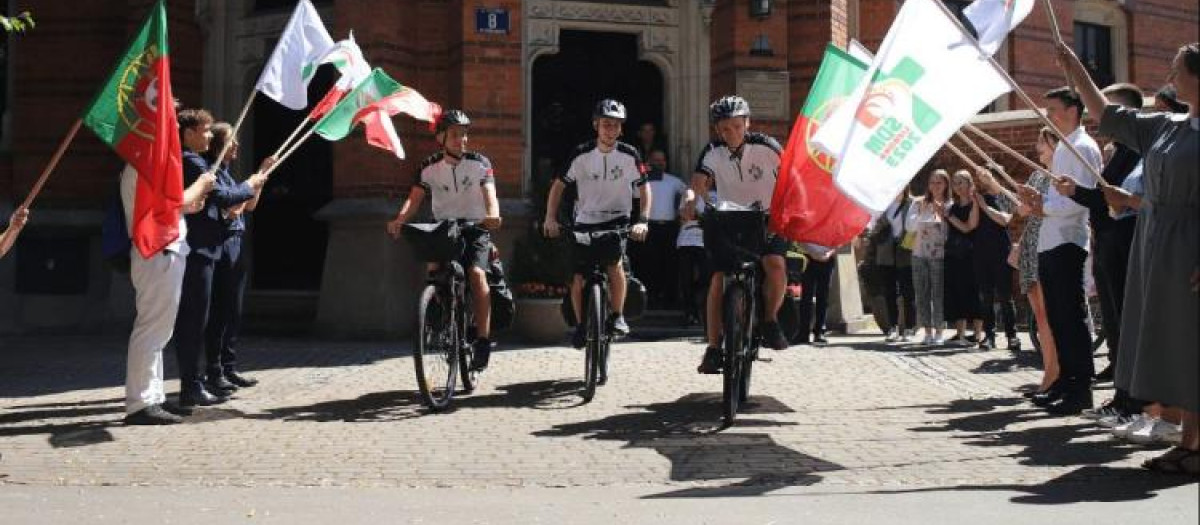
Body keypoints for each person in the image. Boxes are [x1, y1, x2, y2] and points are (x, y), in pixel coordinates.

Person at [1057, 41, 1199, 473]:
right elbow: (1103, 111)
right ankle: (1189, 443)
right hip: (1156, 246)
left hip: (1191, 248)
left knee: (1193, 343)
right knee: (1173, 342)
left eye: (1177, 69)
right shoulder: (1166, 127)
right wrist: (1075, 66)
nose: (1170, 77)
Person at [1053, 83, 1145, 421]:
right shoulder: (1119, 152)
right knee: (1115, 321)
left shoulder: (1137, 150)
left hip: (1125, 241)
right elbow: (1104, 197)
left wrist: (1084, 193)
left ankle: (1134, 401)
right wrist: (1076, 191)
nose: (1101, 115)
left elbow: (1121, 198)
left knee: (1125, 319)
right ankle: (1122, 398)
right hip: (1107, 241)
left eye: (1110, 108)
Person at [122, 109, 221, 425]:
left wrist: (192, 201)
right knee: (152, 328)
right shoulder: (145, 163)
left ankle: (152, 398)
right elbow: (173, 202)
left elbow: (172, 206)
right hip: (158, 251)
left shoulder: (148, 162)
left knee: (159, 330)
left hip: (165, 249)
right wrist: (202, 184)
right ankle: (140, 403)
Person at [387, 110, 503, 370]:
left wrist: (493, 214)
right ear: (441, 138)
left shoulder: (479, 163)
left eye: (464, 134)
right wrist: (399, 220)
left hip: (475, 226)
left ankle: (483, 340)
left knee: (476, 274)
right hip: (443, 227)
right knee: (434, 272)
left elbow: (489, 192)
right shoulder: (428, 167)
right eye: (454, 135)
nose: (461, 139)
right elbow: (414, 199)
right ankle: (445, 318)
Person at [683, 95, 789, 374]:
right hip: (730, 219)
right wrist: (691, 201)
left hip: (766, 218)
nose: (731, 133)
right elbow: (697, 182)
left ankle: (770, 319)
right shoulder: (712, 150)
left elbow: (790, 177)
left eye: (736, 126)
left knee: (775, 264)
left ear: (747, 123)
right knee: (719, 277)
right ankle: (714, 348)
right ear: (718, 130)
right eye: (725, 128)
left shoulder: (767, 147)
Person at [174, 108, 269, 409]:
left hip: (208, 247)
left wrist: (253, 183)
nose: (208, 135)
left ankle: (199, 380)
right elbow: (227, 201)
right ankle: (192, 384)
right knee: (193, 320)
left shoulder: (204, 164)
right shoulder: (192, 162)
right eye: (204, 131)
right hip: (198, 248)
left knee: (214, 315)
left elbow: (231, 201)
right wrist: (250, 184)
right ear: (188, 134)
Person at [1018, 86, 1102, 416]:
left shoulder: (1083, 147)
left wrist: (1044, 208)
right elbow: (1058, 199)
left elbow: (1079, 199)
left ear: (1071, 109)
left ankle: (1080, 387)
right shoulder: (1066, 147)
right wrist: (1040, 203)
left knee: (1071, 316)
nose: (1048, 114)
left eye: (1052, 108)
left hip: (1068, 239)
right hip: (1051, 240)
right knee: (1058, 317)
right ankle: (1066, 381)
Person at [543, 99, 651, 349]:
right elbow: (559, 185)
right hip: (586, 220)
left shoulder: (629, 155)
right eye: (605, 125)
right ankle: (581, 326)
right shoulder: (581, 154)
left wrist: (642, 220)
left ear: (621, 129)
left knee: (614, 266)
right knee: (579, 277)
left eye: (615, 125)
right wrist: (550, 218)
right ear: (596, 126)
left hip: (617, 219)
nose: (610, 130)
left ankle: (617, 316)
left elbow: (644, 188)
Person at [201, 123, 276, 394]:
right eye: (232, 141)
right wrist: (250, 183)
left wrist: (261, 177)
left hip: (235, 243)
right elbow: (232, 208)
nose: (237, 146)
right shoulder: (213, 175)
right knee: (220, 310)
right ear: (220, 145)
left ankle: (228, 367)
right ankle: (214, 370)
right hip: (222, 244)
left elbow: (249, 205)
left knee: (233, 310)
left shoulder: (228, 175)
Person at [1012, 127, 1061, 395]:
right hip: (1031, 244)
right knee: (1040, 316)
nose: (1037, 147)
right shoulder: (1036, 174)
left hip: (1049, 244)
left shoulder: (1058, 176)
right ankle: (1049, 372)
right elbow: (1020, 211)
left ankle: (1056, 373)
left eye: (1042, 142)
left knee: (1051, 315)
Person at [630, 149, 686, 309]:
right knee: (649, 263)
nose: (659, 163)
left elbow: (688, 192)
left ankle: (670, 299)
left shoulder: (673, 181)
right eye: (656, 160)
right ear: (649, 161)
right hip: (649, 227)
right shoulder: (641, 182)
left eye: (662, 160)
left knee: (670, 263)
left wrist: (684, 207)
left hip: (669, 228)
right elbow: (633, 195)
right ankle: (650, 298)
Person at [971, 168, 1018, 351]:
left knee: (1006, 296)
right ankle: (989, 335)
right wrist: (976, 204)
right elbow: (972, 224)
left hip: (1001, 250)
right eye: (980, 177)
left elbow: (1005, 219)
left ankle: (1012, 336)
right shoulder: (979, 197)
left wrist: (984, 207)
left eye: (986, 176)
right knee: (986, 296)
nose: (982, 180)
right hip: (981, 251)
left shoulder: (1006, 197)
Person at [908, 169, 951, 345]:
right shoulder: (919, 203)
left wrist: (943, 215)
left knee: (938, 293)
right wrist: (920, 213)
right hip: (919, 254)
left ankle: (939, 331)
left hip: (940, 255)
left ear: (946, 184)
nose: (935, 186)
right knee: (922, 293)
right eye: (932, 182)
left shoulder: (950, 204)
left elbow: (951, 230)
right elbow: (909, 227)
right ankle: (927, 331)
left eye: (939, 182)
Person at [942, 170, 983, 346]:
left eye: (961, 182)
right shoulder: (953, 207)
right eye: (955, 183)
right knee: (955, 292)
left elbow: (968, 227)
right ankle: (960, 333)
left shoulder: (975, 204)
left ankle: (977, 333)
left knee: (972, 292)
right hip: (953, 254)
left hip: (970, 255)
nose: (957, 187)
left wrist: (949, 217)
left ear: (969, 183)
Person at [870, 191, 917, 343]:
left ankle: (909, 328)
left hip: (906, 250)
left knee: (908, 292)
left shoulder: (913, 203)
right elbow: (874, 225)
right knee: (889, 291)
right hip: (886, 251)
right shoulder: (883, 203)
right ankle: (892, 328)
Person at [677, 190, 715, 327]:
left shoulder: (717, 194)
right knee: (685, 279)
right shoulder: (689, 193)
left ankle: (699, 307)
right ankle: (690, 313)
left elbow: (716, 219)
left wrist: (699, 215)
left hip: (706, 243)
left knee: (706, 278)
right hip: (686, 242)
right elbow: (685, 215)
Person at [796, 243, 837, 345]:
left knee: (823, 297)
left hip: (827, 259)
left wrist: (828, 254)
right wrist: (812, 253)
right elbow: (799, 239)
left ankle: (819, 332)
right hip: (808, 258)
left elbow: (838, 241)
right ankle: (803, 333)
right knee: (806, 297)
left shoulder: (831, 227)